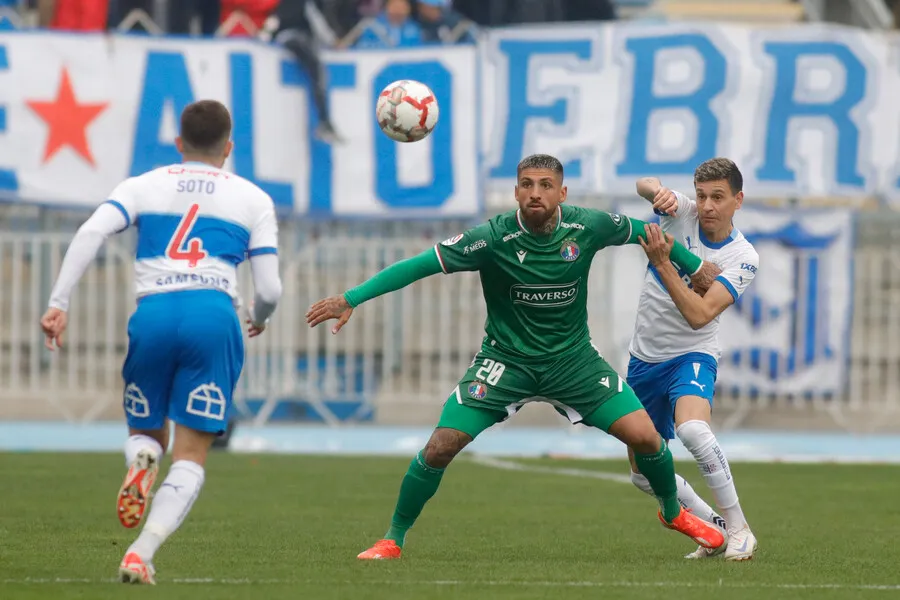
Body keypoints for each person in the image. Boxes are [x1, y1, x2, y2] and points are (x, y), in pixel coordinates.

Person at [306, 153, 725, 560]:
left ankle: (672, 512)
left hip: (573, 362)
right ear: (516, 192)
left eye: (545, 186)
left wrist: (694, 265)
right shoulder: (491, 237)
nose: (535, 193)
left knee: (647, 437)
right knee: (440, 446)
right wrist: (351, 297)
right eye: (527, 185)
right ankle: (392, 539)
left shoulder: (587, 225)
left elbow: (644, 232)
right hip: (506, 363)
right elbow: (419, 266)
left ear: (562, 192)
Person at [39, 100, 283, 584]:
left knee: (145, 434)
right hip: (212, 316)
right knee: (190, 455)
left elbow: (92, 232)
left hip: (152, 313)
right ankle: (140, 553)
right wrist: (258, 315)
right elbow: (271, 289)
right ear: (228, 148)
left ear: (179, 144)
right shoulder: (253, 199)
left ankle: (141, 460)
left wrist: (58, 302)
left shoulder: (143, 185)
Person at [625, 158, 759, 561]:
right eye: (701, 196)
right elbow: (642, 181)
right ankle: (712, 527)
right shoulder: (681, 211)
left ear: (738, 200)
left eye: (718, 197)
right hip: (644, 357)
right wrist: (655, 190)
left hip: (692, 352)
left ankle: (739, 528)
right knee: (643, 475)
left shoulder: (743, 256)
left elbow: (700, 315)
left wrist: (664, 262)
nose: (707, 206)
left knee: (694, 431)